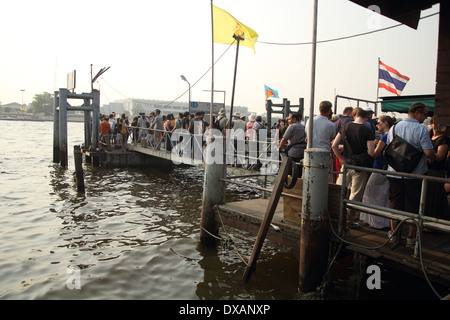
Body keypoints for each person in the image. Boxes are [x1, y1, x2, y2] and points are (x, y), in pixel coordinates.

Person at [386, 102, 436, 245]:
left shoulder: (394, 127)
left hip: (395, 171)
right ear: (417, 113)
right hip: (414, 173)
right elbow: (428, 152)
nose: (426, 117)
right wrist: (433, 157)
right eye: (425, 114)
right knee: (413, 205)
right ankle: (411, 237)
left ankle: (394, 234)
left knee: (394, 203)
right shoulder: (421, 130)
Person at [332, 108, 375, 226]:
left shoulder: (345, 127)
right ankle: (347, 220)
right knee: (354, 195)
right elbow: (371, 152)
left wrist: (341, 159)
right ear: (366, 119)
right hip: (360, 167)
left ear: (355, 116)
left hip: (346, 164)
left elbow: (334, 145)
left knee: (339, 190)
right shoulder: (368, 130)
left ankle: (335, 216)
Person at [360, 115, 395, 229]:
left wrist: (369, 148)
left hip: (379, 168)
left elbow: (374, 154)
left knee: (371, 193)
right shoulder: (392, 136)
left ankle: (374, 221)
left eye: (379, 122)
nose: (377, 124)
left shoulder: (384, 138)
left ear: (385, 123)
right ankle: (380, 221)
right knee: (382, 195)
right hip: (386, 169)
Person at [424, 116, 450, 221]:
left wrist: (429, 156)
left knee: (435, 198)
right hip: (427, 170)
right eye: (436, 123)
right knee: (427, 197)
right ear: (432, 124)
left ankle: (433, 222)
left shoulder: (443, 139)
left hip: (436, 171)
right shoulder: (429, 136)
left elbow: (439, 157)